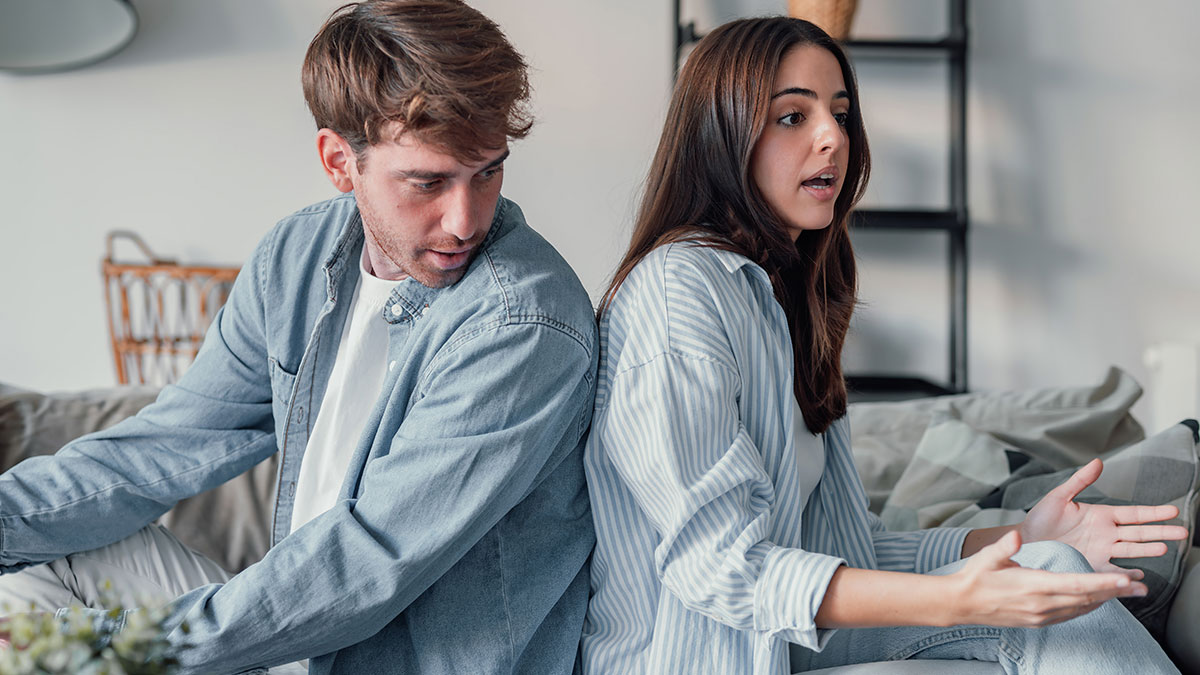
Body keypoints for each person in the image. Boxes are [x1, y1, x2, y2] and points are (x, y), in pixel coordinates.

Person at [0, 1, 597, 673]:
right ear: (339, 161)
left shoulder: (522, 324)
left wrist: (110, 646)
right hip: (298, 651)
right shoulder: (295, 257)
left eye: (488, 171)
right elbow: (165, 445)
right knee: (33, 560)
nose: (464, 220)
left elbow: (363, 566)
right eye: (428, 182)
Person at [580, 16, 1186, 675]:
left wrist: (1018, 536)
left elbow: (846, 555)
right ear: (719, 136)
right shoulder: (678, 294)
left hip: (783, 644)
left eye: (840, 114)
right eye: (792, 116)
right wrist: (954, 600)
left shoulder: (783, 297)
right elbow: (721, 567)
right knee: (1045, 595)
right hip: (704, 656)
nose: (832, 137)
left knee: (1050, 565)